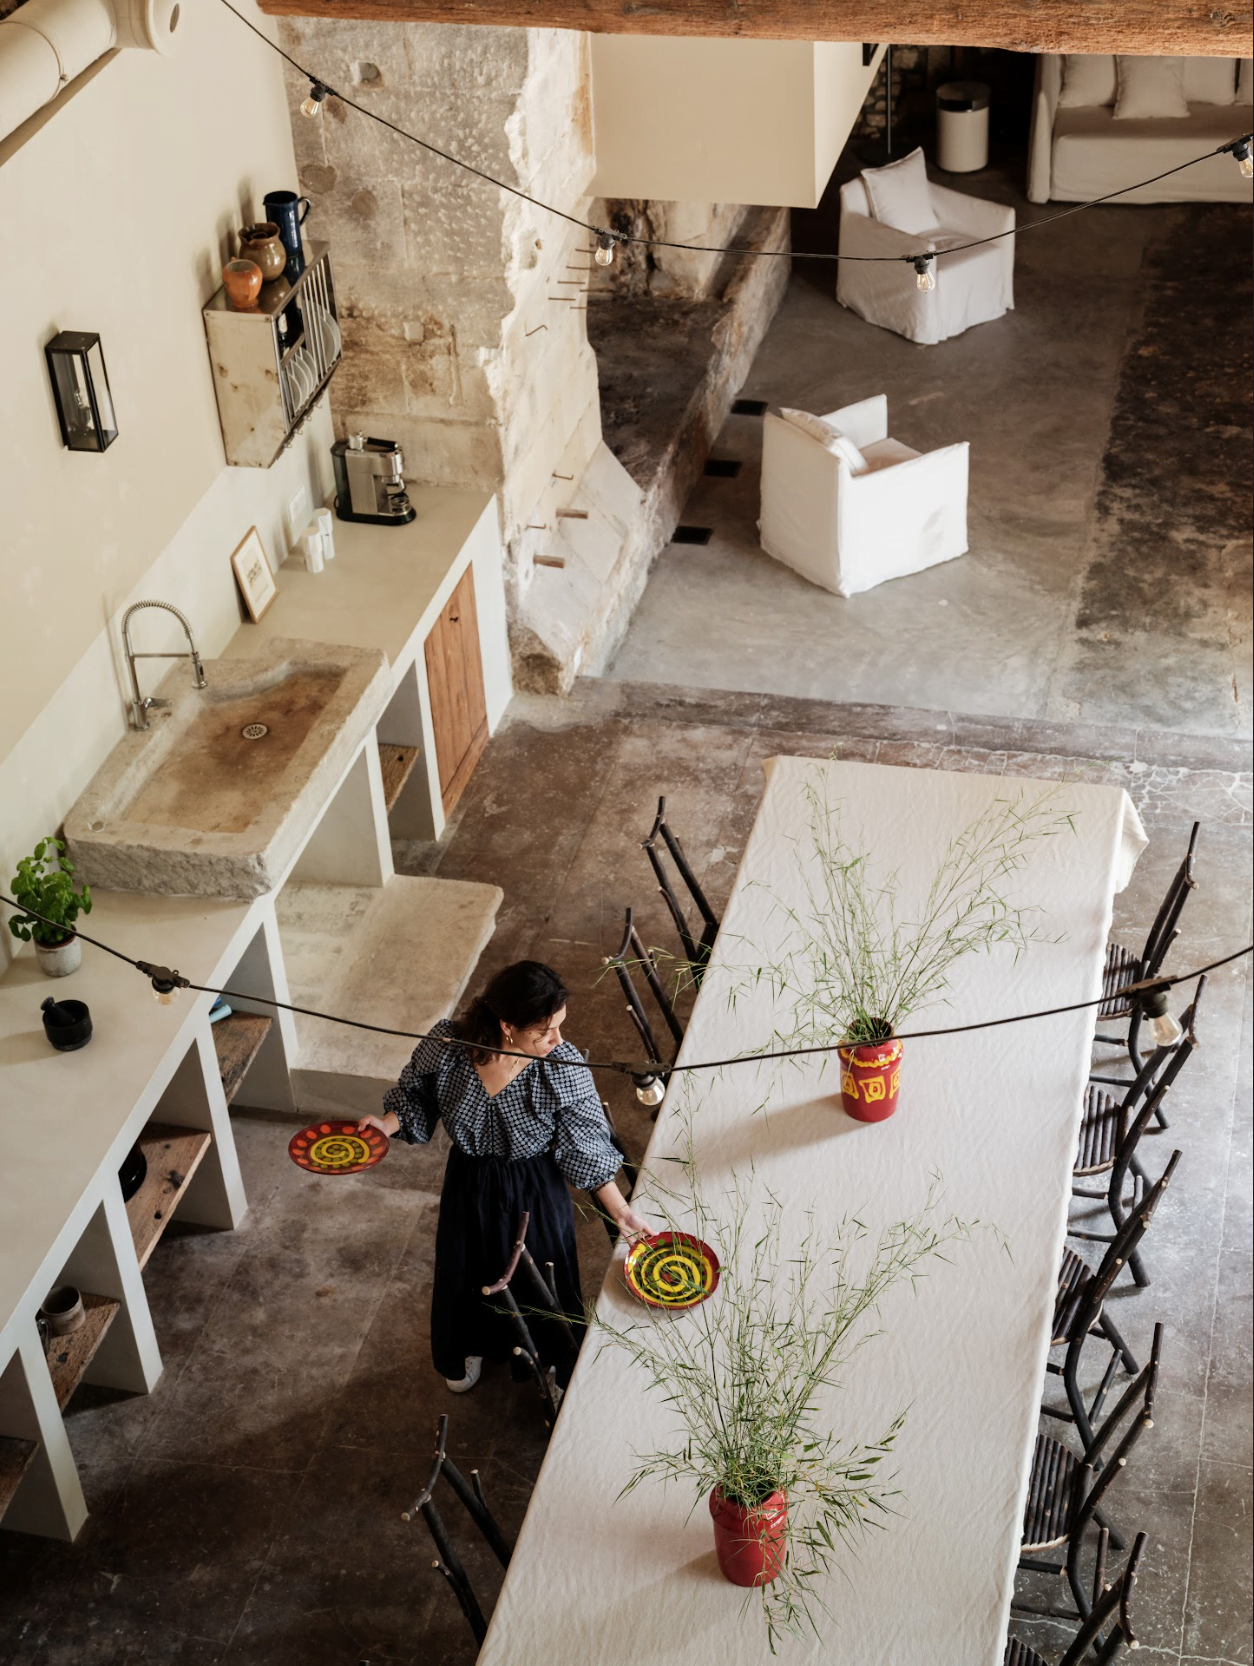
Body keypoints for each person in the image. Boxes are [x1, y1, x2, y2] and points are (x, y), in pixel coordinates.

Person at [357, 960, 647, 1394]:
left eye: (560, 1027)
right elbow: (416, 1096)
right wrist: (385, 1125)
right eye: (544, 1031)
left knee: (542, 1277)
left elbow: (584, 1143)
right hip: (469, 1182)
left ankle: (553, 1357)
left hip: (535, 1187)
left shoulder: (560, 1066)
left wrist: (621, 1212)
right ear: (507, 1025)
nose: (558, 1039)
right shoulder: (449, 1046)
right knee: (466, 1270)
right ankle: (471, 1346)